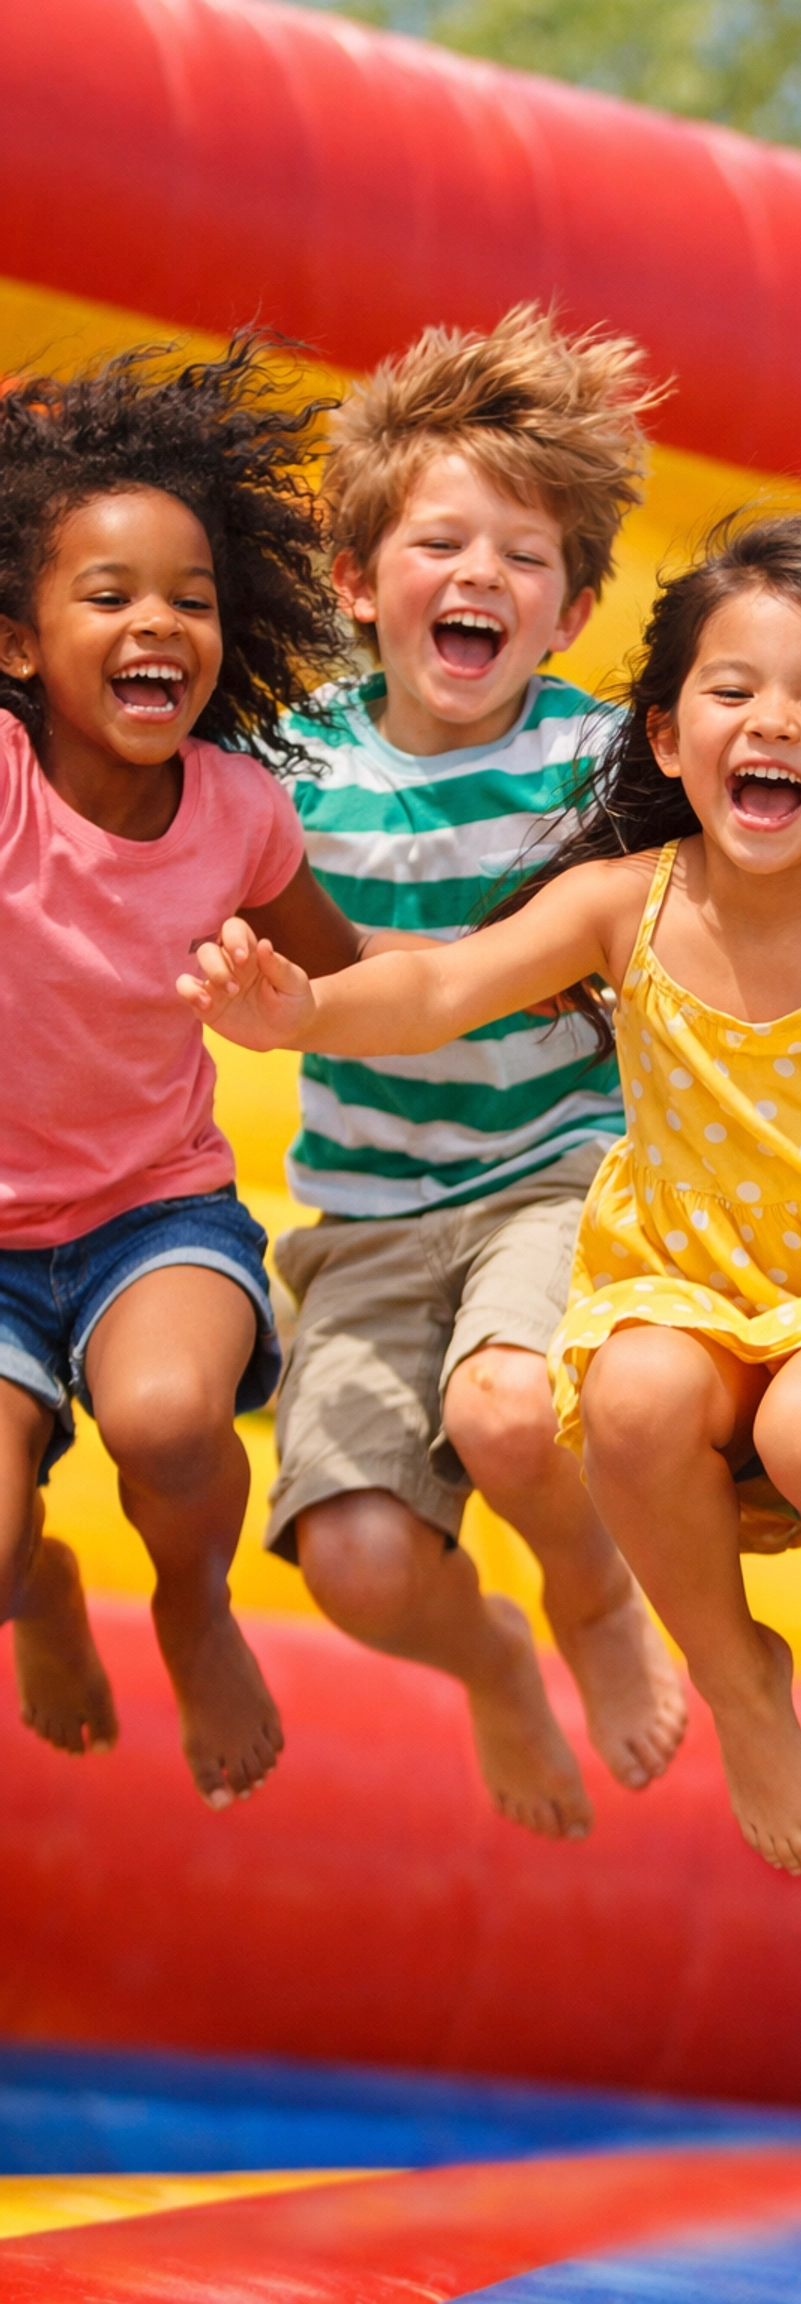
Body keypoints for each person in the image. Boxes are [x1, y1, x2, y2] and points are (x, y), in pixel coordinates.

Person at [180, 433, 801, 1881]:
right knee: (637, 1394)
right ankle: (739, 1685)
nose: (769, 722)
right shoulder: (621, 901)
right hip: (699, 1283)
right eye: (732, 691)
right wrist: (307, 1008)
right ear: (664, 735)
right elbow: (442, 988)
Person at [265, 308, 686, 1841]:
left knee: (511, 1413)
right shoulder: (283, 770)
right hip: (368, 1216)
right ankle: (495, 1657)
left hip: (561, 1177)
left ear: (570, 610)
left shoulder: (602, 768)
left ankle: (588, 1594)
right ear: (355, 582)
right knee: (363, 1566)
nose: (478, 579)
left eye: (523, 558)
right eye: (440, 542)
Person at [0, 336, 380, 1806]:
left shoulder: (237, 814)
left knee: (167, 1417)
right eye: (110, 597)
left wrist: (308, 997)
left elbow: (342, 979)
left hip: (155, 1215)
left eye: (192, 600)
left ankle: (195, 1600)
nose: (159, 623)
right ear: (23, 644)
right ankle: (41, 1590)